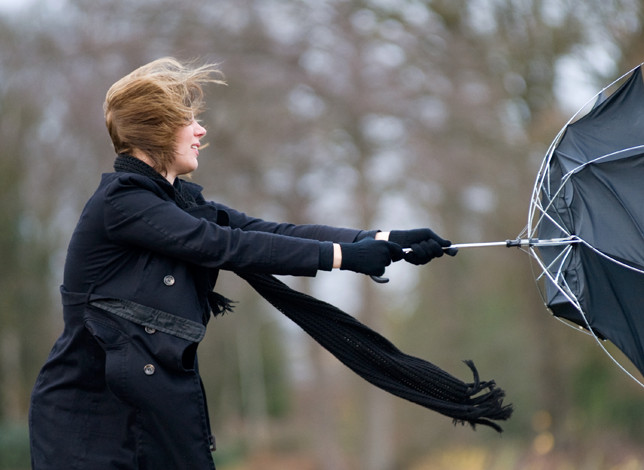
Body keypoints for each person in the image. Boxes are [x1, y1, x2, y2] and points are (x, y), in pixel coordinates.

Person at [28, 58, 456, 470]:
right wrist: (344, 258)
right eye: (187, 121)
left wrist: (379, 240)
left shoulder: (178, 203)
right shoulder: (122, 202)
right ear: (157, 131)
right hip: (90, 428)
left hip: (151, 416)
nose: (201, 130)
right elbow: (222, 245)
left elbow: (269, 231)